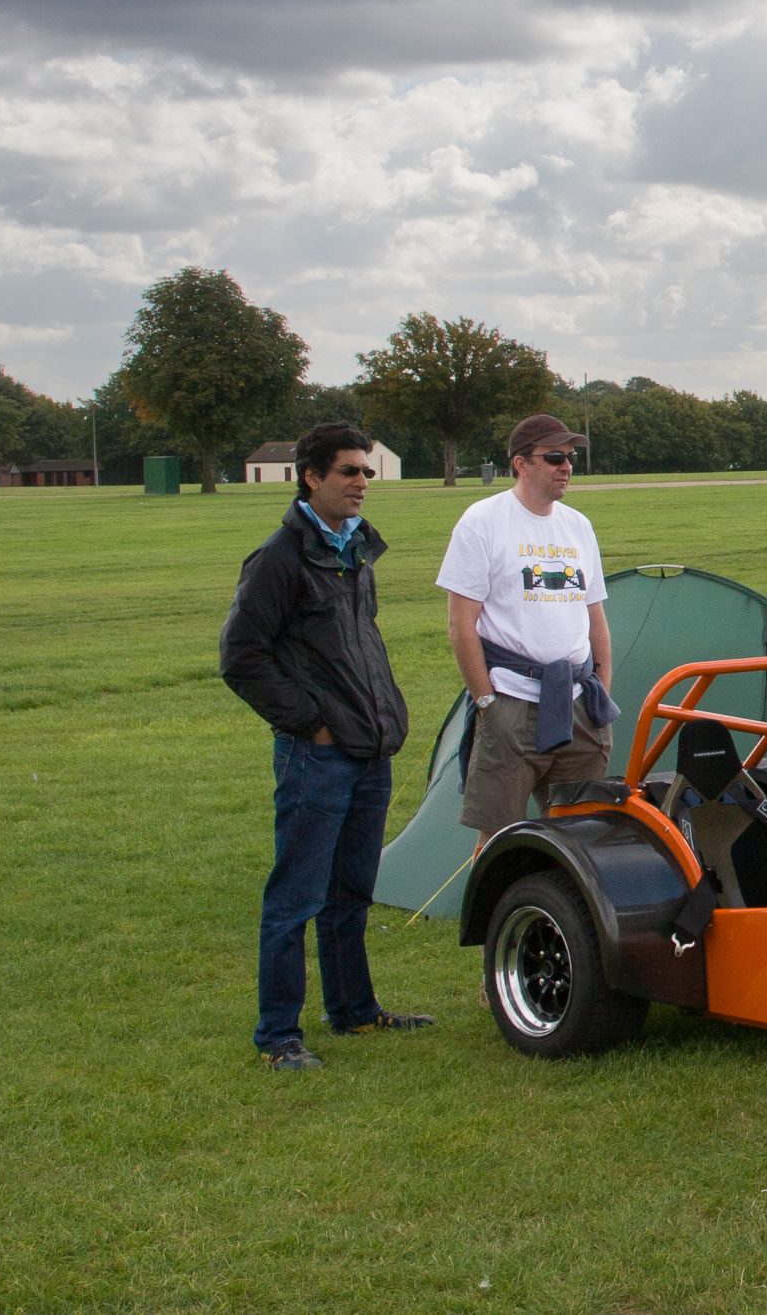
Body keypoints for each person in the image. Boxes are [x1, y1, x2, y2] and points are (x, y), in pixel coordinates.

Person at [220, 422, 430, 1070]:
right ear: (310, 476)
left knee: (351, 892)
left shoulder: (355, 552)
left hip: (368, 751)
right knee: (296, 897)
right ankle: (278, 1036)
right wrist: (310, 722)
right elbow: (241, 656)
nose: (362, 481)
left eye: (365, 471)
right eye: (348, 471)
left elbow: (356, 646)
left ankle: (355, 1010)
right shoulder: (280, 559)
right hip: (317, 755)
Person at [439, 413, 619, 842]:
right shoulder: (483, 521)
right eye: (554, 456)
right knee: (499, 838)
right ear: (521, 464)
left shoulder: (578, 526)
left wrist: (602, 688)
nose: (566, 467)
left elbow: (595, 616)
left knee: (581, 834)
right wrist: (488, 703)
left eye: (570, 457)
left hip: (579, 702)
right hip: (512, 701)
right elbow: (461, 623)